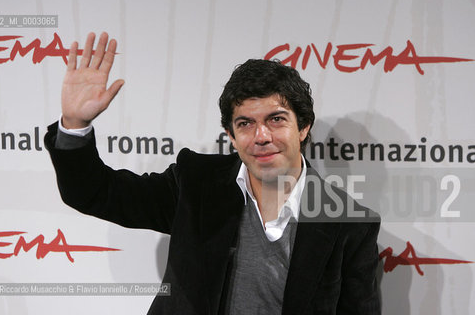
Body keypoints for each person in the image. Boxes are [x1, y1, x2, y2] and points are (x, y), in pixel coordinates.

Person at [45, 32, 381, 315]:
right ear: (231, 136)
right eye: (245, 124)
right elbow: (94, 192)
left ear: (303, 126)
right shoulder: (195, 184)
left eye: (276, 119)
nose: (261, 136)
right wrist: (75, 125)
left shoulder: (349, 224)